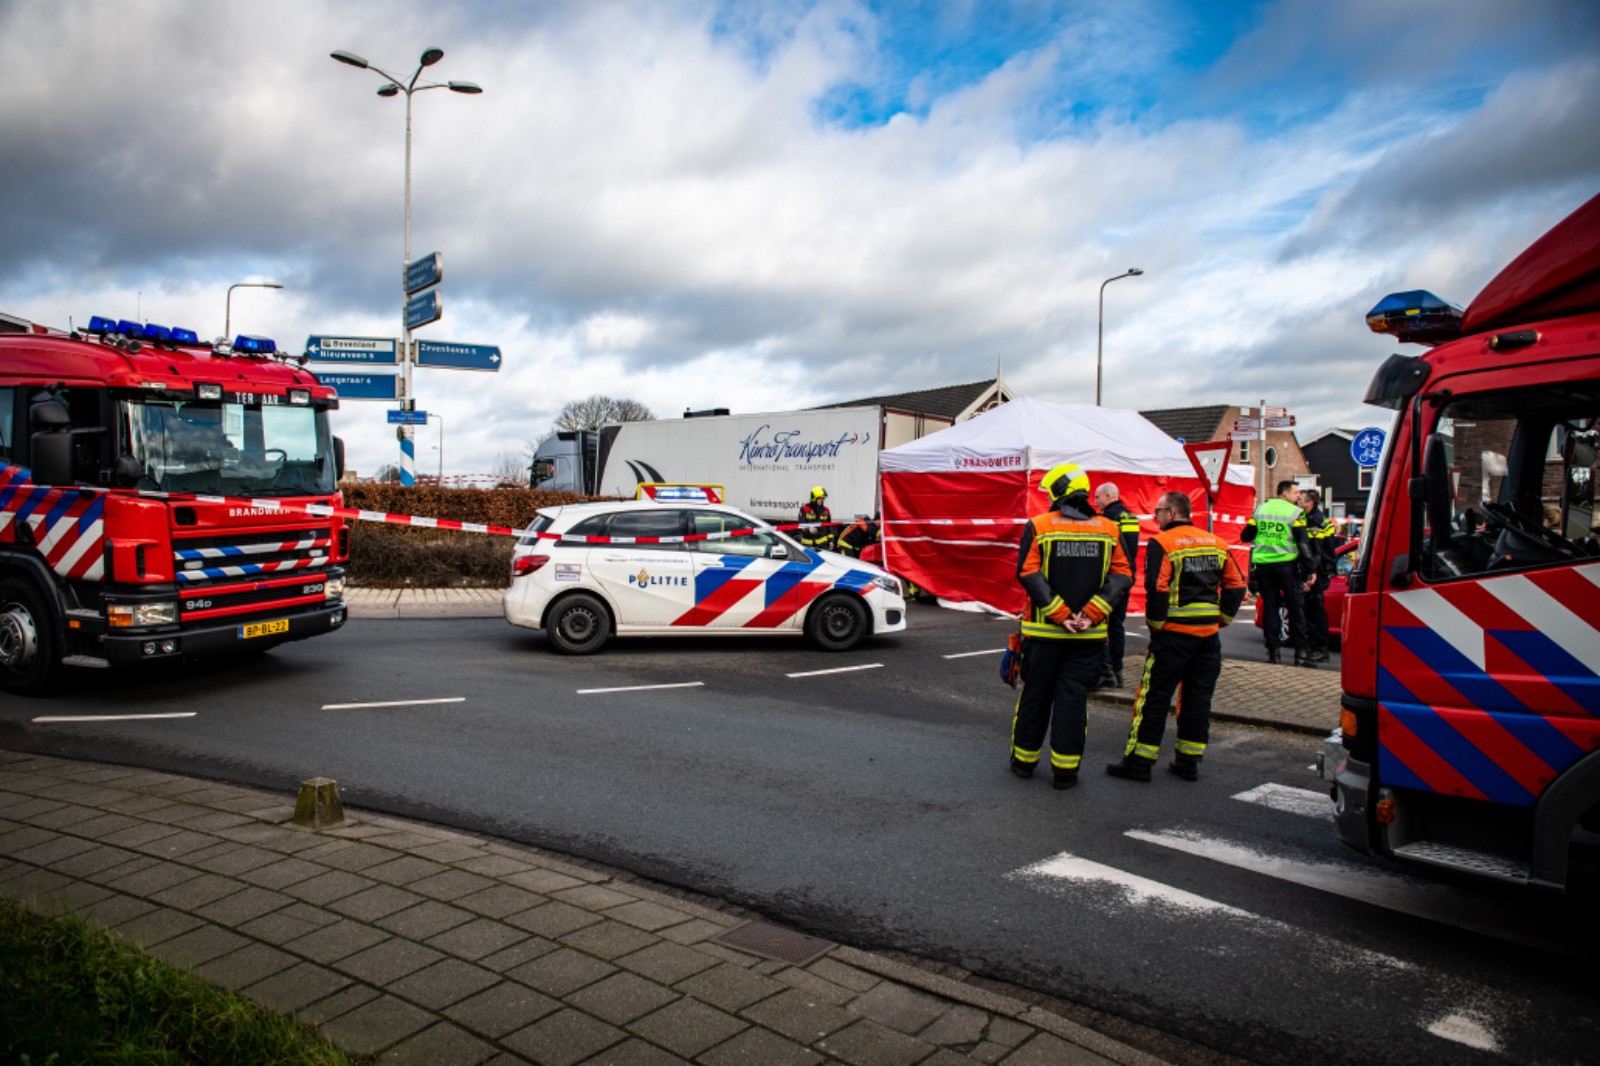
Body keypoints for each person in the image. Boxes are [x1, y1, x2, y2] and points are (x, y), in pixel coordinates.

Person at [1107, 491, 1247, 782]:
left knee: (1154, 698)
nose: (1155, 517)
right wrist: (1223, 618)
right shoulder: (1217, 542)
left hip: (1173, 637)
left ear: (1171, 513)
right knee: (1197, 700)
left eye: (1158, 511)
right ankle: (1188, 761)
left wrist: (1156, 625)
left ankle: (1139, 762)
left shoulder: (1164, 542)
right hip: (1208, 638)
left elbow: (1156, 588)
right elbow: (1236, 584)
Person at [1010, 463, 1133, 790]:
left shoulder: (1038, 526)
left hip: (1043, 634)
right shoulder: (1108, 529)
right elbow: (1122, 576)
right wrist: (1091, 613)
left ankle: (1024, 762)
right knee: (1073, 699)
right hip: (1087, 636)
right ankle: (1065, 772)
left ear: (1057, 493)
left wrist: (1059, 613)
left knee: (1035, 696)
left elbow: (1027, 573)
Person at [1242, 480, 1317, 667]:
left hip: (1264, 567)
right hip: (1287, 566)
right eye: (1295, 493)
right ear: (1284, 493)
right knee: (1295, 608)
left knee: (1270, 608)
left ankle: (1273, 653)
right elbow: (1302, 543)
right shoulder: (1295, 513)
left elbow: (1246, 536)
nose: (1298, 496)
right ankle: (1300, 654)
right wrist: (1310, 569)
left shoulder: (1261, 510)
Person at [1093, 482, 1141, 688]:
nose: (1095, 501)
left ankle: (1106, 672)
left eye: (1097, 497)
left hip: (1109, 578)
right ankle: (1118, 670)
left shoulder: (1106, 520)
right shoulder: (1132, 517)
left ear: (1108, 496)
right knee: (1118, 625)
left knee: (1103, 625)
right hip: (1126, 577)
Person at [1297, 488, 1339, 663]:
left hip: (1317, 572)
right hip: (1317, 571)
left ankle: (1320, 648)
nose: (1298, 501)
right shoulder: (1311, 518)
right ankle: (1314, 646)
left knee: (1315, 612)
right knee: (1311, 611)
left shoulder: (1315, 521)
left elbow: (1316, 553)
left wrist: (1309, 575)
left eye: (1301, 499)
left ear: (1310, 502)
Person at [797, 486, 835, 552]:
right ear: (814, 498)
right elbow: (801, 524)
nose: (822, 500)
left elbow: (829, 528)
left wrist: (831, 541)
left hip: (822, 545)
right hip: (808, 544)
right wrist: (809, 529)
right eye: (820, 498)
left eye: (823, 499)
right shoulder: (805, 509)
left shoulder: (826, 510)